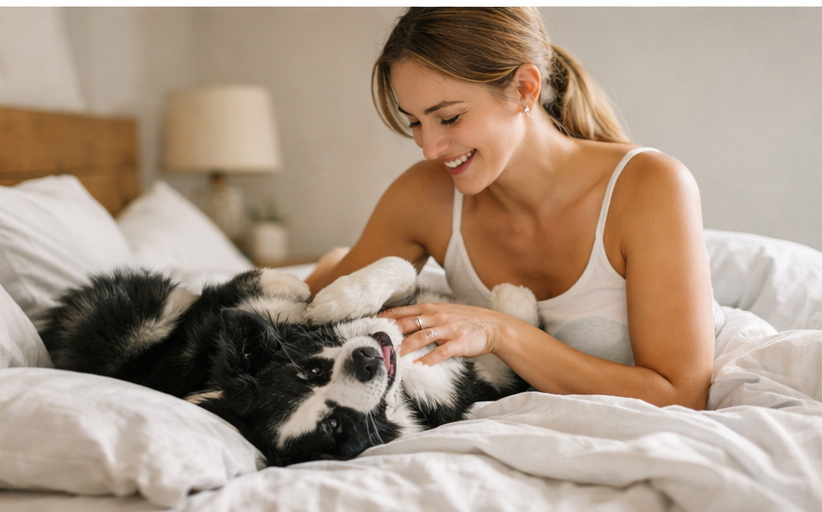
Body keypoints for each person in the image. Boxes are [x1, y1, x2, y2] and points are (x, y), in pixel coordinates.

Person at [306, 7, 719, 410]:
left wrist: (500, 331)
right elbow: (315, 313)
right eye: (415, 122)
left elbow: (682, 395)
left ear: (524, 88)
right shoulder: (424, 196)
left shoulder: (650, 186)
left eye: (448, 118)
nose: (429, 148)